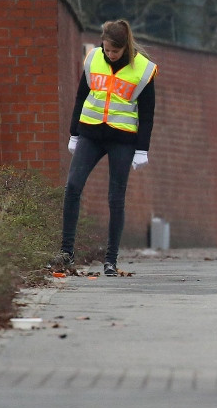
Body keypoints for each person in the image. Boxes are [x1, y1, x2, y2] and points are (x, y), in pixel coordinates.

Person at [52, 19, 157, 277]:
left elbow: (147, 113)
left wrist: (142, 149)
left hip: (122, 138)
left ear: (125, 48)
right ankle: (67, 251)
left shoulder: (143, 70)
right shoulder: (93, 58)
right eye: (107, 49)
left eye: (115, 51)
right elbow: (81, 96)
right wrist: (74, 133)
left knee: (115, 197)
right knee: (73, 186)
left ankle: (110, 259)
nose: (110, 55)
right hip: (90, 133)